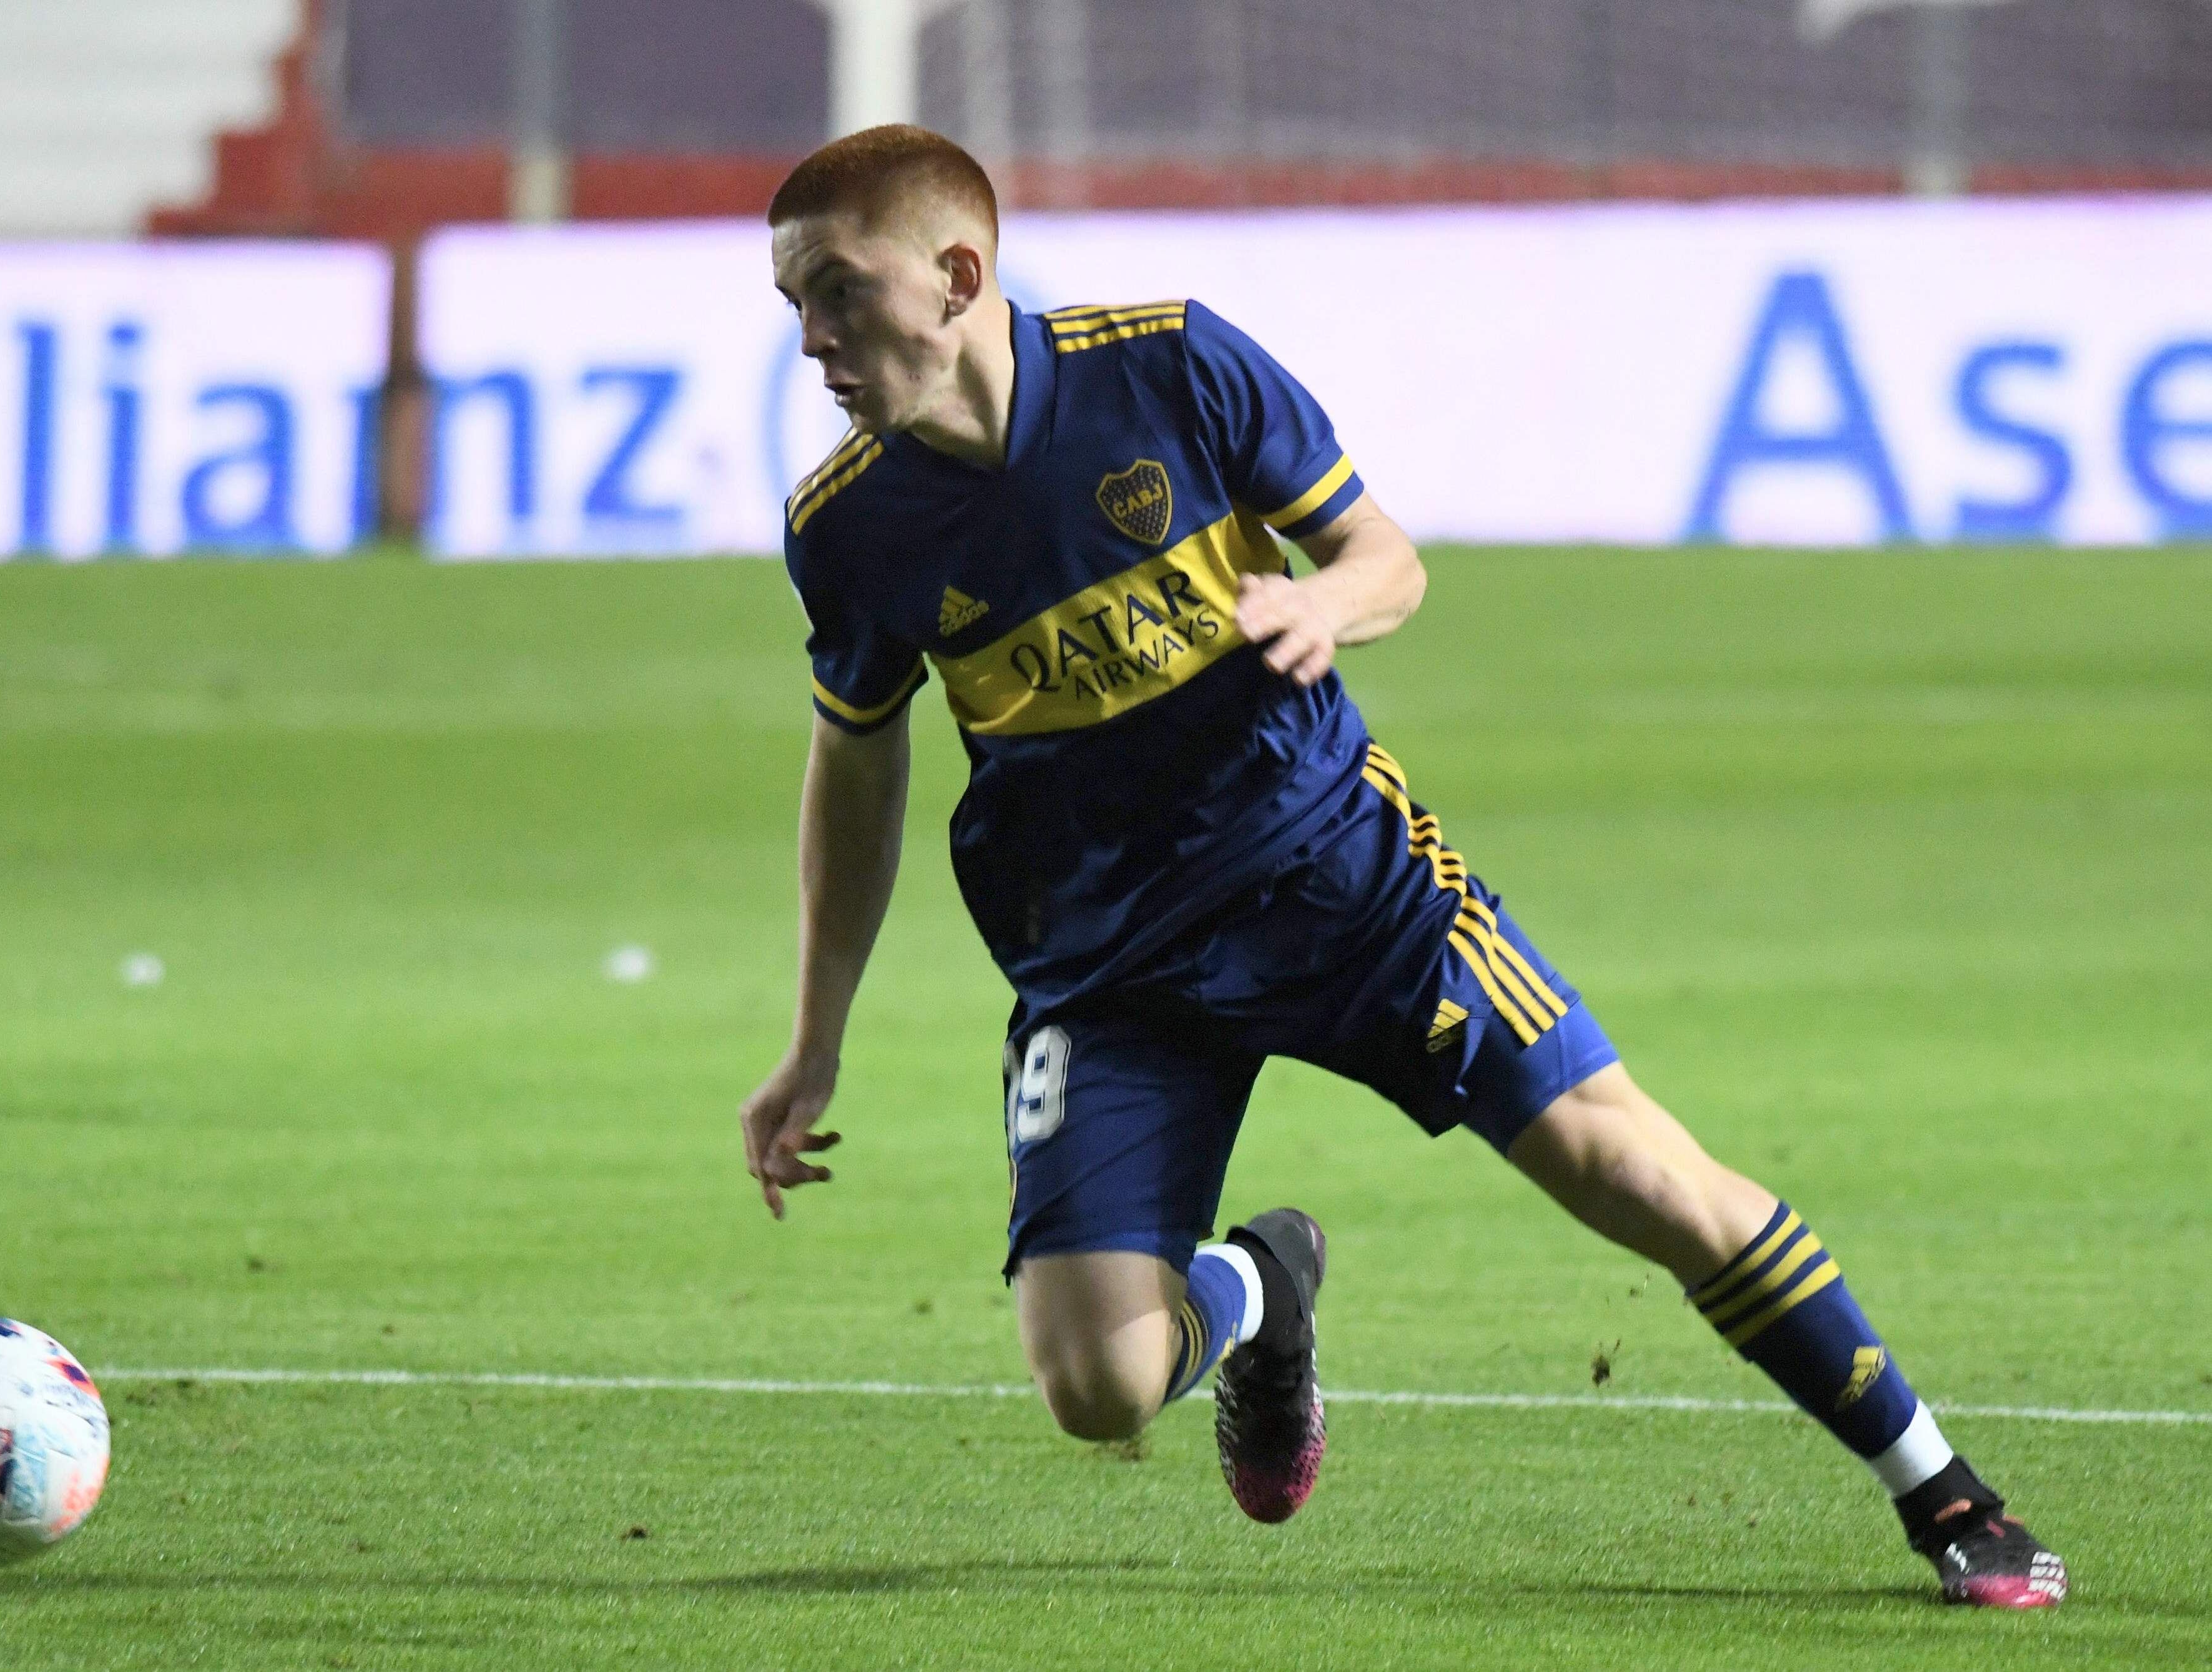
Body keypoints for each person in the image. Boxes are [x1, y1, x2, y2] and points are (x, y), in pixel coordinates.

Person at [735, 124, 2062, 1609]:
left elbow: (1385, 556)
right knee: (1098, 1388)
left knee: (1639, 1173)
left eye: (837, 295)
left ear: (957, 272)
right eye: (794, 307)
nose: (814, 343)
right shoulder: (845, 525)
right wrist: (814, 1041)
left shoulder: (1170, 364)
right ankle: (1256, 1293)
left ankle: (1946, 1493)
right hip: (1105, 969)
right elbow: (856, 763)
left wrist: (1331, 610)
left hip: (1345, 886)